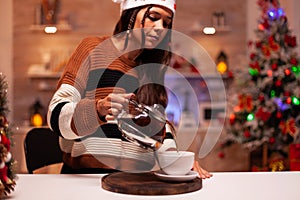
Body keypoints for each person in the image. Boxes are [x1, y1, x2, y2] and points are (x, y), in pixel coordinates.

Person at [47, 0, 212, 179]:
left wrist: (175, 160)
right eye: (153, 17)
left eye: (166, 23)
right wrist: (98, 109)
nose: (160, 27)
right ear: (130, 14)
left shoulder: (151, 70)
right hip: (86, 180)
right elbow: (55, 115)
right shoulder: (92, 49)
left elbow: (160, 128)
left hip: (137, 180)